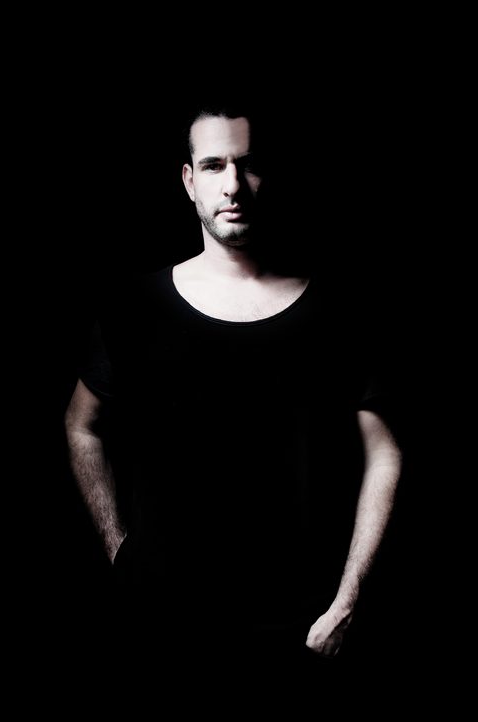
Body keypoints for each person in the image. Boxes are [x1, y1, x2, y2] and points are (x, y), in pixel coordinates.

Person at [65, 102, 401, 697]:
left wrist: (348, 601)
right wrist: (121, 554)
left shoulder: (338, 312)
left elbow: (385, 452)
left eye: (248, 165)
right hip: (164, 636)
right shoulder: (133, 311)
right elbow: (81, 426)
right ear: (189, 180)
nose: (233, 185)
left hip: (306, 633)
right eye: (214, 165)